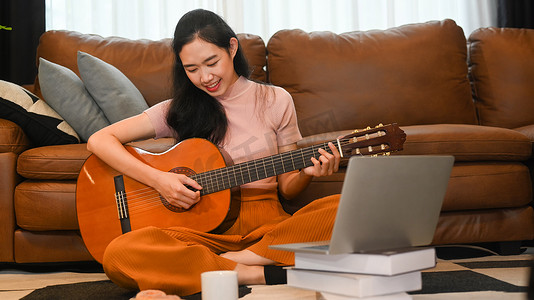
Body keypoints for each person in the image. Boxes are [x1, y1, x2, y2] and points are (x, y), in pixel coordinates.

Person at [87, 8, 341, 296]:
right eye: (191, 69)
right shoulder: (177, 109)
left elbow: (288, 188)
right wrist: (159, 180)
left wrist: (307, 173)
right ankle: (255, 274)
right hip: (204, 234)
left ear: (232, 48)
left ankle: (223, 266)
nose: (205, 77)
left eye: (212, 62)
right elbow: (100, 140)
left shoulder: (275, 100)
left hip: (267, 228)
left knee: (345, 211)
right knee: (119, 253)